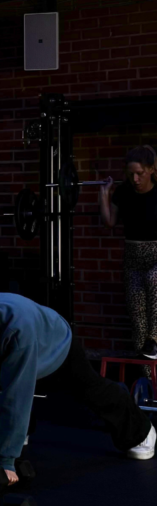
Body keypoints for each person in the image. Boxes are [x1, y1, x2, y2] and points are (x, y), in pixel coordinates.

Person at [0, 271, 155, 487]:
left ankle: (141, 431)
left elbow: (17, 394)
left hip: (53, 343)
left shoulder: (17, 327)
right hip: (3, 352)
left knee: (89, 389)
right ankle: (19, 431)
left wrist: (7, 461)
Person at [99, 145, 157, 361]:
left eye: (140, 173)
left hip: (155, 253)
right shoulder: (123, 192)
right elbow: (109, 222)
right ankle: (149, 382)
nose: (135, 179)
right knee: (137, 316)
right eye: (131, 174)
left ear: (151, 169)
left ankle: (155, 339)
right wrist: (104, 194)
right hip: (132, 255)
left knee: (154, 280)